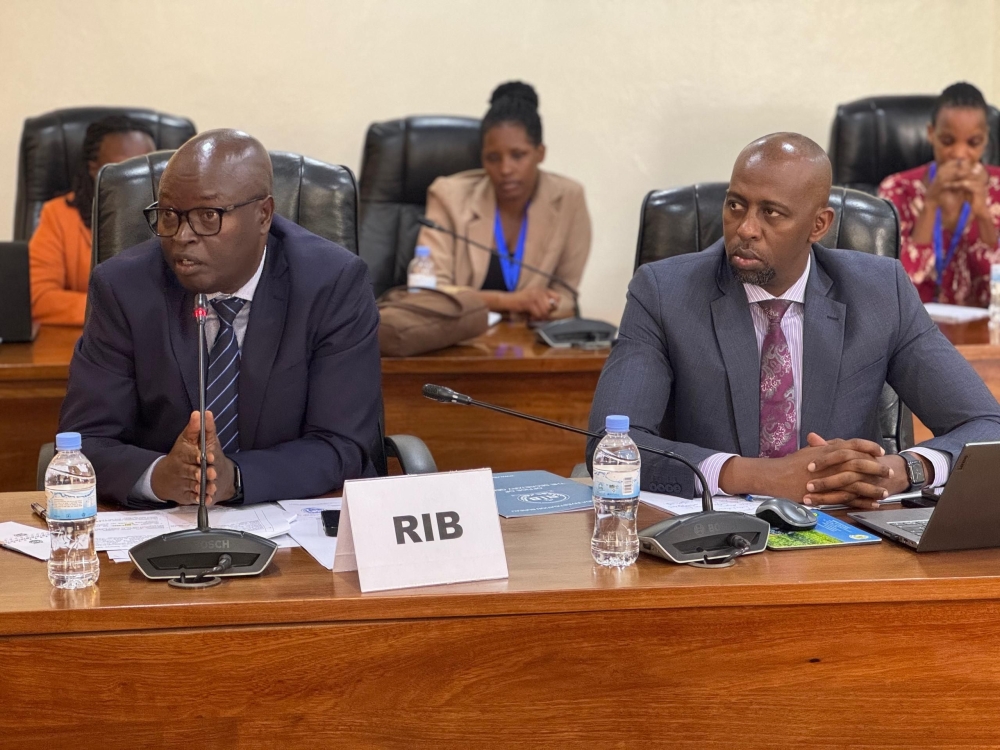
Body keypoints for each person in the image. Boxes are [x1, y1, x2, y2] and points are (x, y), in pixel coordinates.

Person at [588, 132, 1000, 509]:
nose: (745, 228)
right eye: (736, 205)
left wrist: (898, 471)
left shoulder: (880, 292)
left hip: (848, 537)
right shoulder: (664, 293)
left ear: (818, 225)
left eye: (772, 213)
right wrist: (756, 475)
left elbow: (987, 427)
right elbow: (610, 445)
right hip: (713, 543)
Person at [59, 129, 381, 507]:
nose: (182, 236)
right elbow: (83, 443)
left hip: (292, 521)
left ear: (263, 215)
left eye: (208, 215)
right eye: (168, 215)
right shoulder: (123, 288)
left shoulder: (332, 284)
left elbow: (344, 444)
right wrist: (158, 476)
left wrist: (236, 478)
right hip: (162, 523)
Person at [416, 81, 591, 321]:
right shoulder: (449, 196)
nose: (505, 169)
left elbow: (567, 293)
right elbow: (429, 291)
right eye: (493, 158)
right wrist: (509, 302)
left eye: (518, 156)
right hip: (459, 340)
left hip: (532, 344)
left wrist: (549, 304)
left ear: (540, 153)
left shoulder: (568, 199)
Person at [878, 82, 1000, 307]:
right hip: (914, 329)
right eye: (947, 141)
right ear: (931, 134)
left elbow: (995, 291)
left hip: (984, 334)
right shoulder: (898, 189)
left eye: (973, 143)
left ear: (985, 139)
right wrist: (931, 204)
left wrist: (983, 215)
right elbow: (892, 287)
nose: (959, 154)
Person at [29, 115, 157, 326]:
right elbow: (39, 298)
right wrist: (121, 312)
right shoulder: (58, 215)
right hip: (91, 344)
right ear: (93, 169)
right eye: (124, 167)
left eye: (147, 166)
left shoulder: (181, 217)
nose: (138, 177)